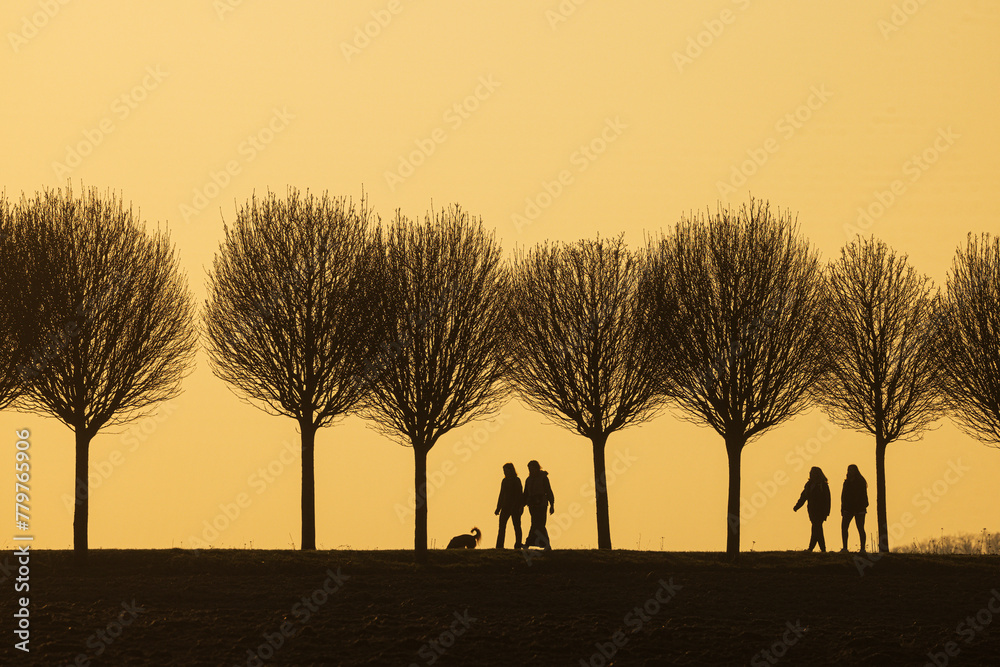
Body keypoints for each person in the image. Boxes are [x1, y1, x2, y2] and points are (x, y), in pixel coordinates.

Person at [793, 466, 831, 552]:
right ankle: (816, 549)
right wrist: (797, 506)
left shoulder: (823, 485)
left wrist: (827, 512)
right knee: (816, 528)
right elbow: (803, 496)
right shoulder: (809, 484)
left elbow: (827, 499)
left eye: (813, 472)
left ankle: (817, 548)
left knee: (816, 528)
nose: (811, 473)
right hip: (812, 510)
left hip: (820, 510)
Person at [522, 460, 554, 550]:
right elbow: (526, 493)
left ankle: (528, 543)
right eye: (529, 468)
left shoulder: (543, 478)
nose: (530, 470)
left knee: (539, 524)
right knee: (536, 524)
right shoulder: (528, 480)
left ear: (536, 468)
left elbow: (548, 491)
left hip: (542, 504)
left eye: (532, 468)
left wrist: (552, 504)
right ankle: (545, 545)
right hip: (532, 505)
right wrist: (522, 505)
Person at [494, 463, 524, 549]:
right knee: (502, 527)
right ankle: (499, 546)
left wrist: (521, 506)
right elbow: (501, 495)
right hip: (505, 507)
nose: (505, 472)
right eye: (504, 471)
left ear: (511, 470)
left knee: (517, 527)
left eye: (506, 470)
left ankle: (518, 544)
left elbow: (520, 494)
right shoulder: (504, 481)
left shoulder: (517, 480)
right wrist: (498, 508)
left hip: (515, 507)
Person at [840, 464, 869, 553]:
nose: (850, 471)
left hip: (859, 508)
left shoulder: (860, 481)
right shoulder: (846, 482)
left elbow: (863, 496)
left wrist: (860, 506)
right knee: (844, 527)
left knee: (860, 528)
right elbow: (843, 496)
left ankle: (863, 548)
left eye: (852, 470)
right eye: (849, 470)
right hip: (848, 508)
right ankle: (845, 547)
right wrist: (843, 507)